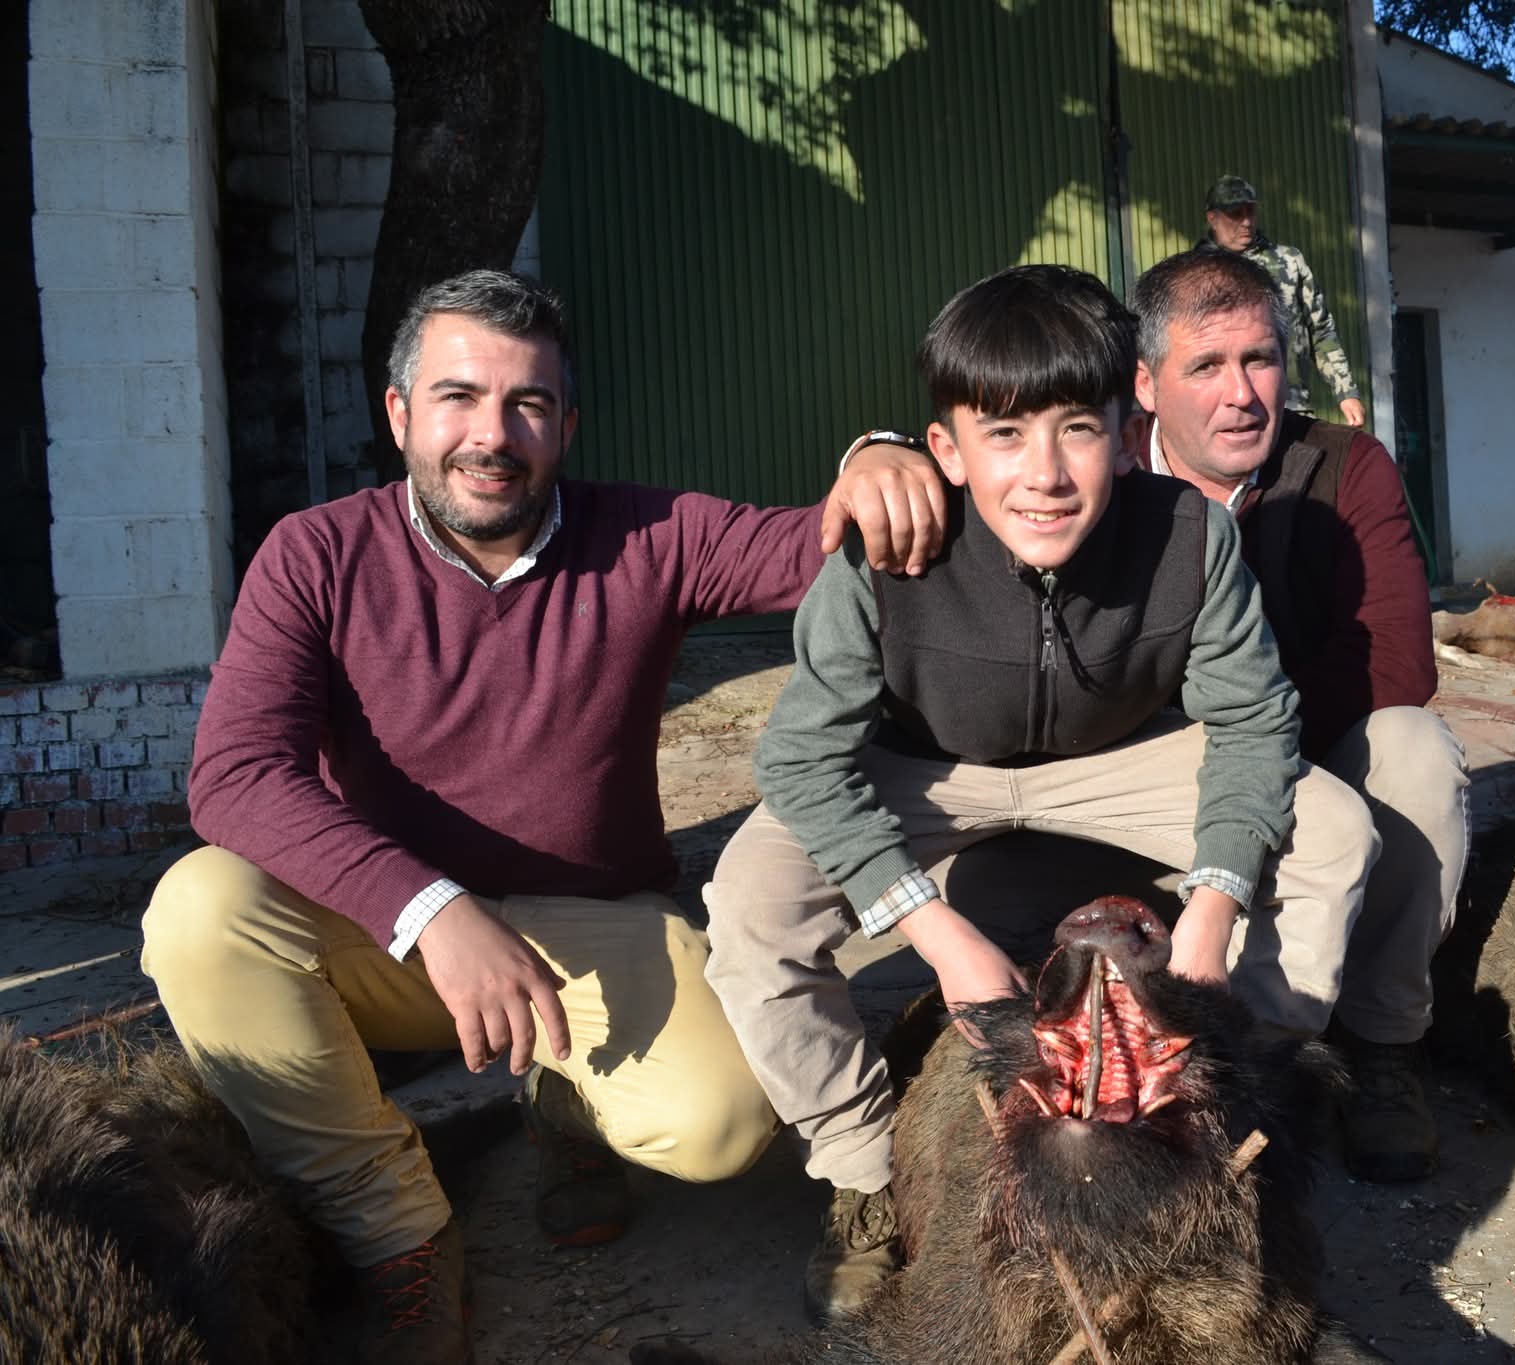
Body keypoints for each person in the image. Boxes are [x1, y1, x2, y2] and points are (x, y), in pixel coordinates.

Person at [138, 269, 949, 1365]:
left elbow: (833, 540)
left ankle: (561, 1109)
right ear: (400, 414)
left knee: (718, 1126)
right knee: (200, 910)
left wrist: (880, 452)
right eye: (458, 397)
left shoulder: (648, 535)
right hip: (390, 937)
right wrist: (430, 909)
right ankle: (401, 1235)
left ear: (566, 424)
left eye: (527, 404)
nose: (492, 435)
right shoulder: (315, 553)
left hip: (589, 925)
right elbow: (236, 774)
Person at [700, 264, 1375, 1323]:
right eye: (1005, 434)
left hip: (1116, 756)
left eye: (1078, 429)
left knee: (1333, 830)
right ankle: (863, 1178)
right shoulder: (881, 550)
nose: (1046, 475)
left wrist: (1211, 909)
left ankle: (1233, 1115)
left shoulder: (1193, 536)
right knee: (748, 908)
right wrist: (936, 936)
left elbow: (1251, 722)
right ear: (946, 449)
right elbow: (801, 760)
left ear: (1127, 431)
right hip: (926, 767)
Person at [1133, 246, 1469, 1184]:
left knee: (1414, 748)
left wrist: (1257, 746)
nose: (1242, 393)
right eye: (1206, 365)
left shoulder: (1346, 466)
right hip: (1153, 766)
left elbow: (1397, 659)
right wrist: (878, 449)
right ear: (1146, 385)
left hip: (1307, 746)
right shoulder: (1101, 469)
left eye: (1261, 359)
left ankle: (1383, 1043)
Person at [1200, 174, 1367, 427]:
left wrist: (1347, 393)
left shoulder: (1289, 262)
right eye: (1235, 213)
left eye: (1251, 212)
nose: (1246, 222)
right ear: (1212, 218)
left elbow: (1320, 331)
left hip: (1291, 406)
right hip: (1226, 410)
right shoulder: (1194, 273)